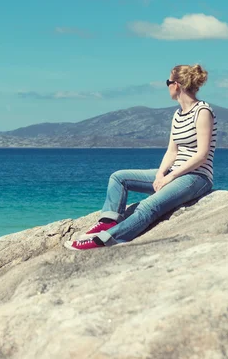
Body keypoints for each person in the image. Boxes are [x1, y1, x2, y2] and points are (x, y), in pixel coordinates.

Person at [65, 64, 217, 250]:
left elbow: (202, 155)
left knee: (147, 207)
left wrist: (170, 177)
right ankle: (108, 222)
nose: (167, 86)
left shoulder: (202, 111)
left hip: (196, 177)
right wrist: (161, 174)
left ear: (176, 85)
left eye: (167, 82)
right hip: (174, 172)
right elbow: (172, 151)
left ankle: (107, 239)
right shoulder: (177, 115)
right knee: (119, 177)